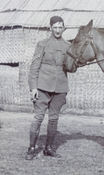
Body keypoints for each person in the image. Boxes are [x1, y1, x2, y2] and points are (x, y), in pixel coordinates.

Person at [25, 16, 70, 160]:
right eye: (55, 27)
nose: (57, 30)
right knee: (38, 118)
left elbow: (70, 67)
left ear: (64, 28)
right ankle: (31, 148)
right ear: (50, 28)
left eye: (60, 27)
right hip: (43, 87)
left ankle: (48, 148)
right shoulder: (42, 44)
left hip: (60, 88)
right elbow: (34, 68)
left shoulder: (68, 46)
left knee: (54, 119)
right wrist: (33, 88)